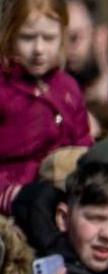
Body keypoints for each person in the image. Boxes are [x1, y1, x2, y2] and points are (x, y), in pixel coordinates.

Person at [0, 0, 91, 213]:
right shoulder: (5, 91)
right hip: (15, 200)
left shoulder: (68, 88)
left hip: (66, 194)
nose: (39, 49)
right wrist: (8, 194)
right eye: (27, 38)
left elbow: (84, 143)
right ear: (9, 35)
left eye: (49, 38)